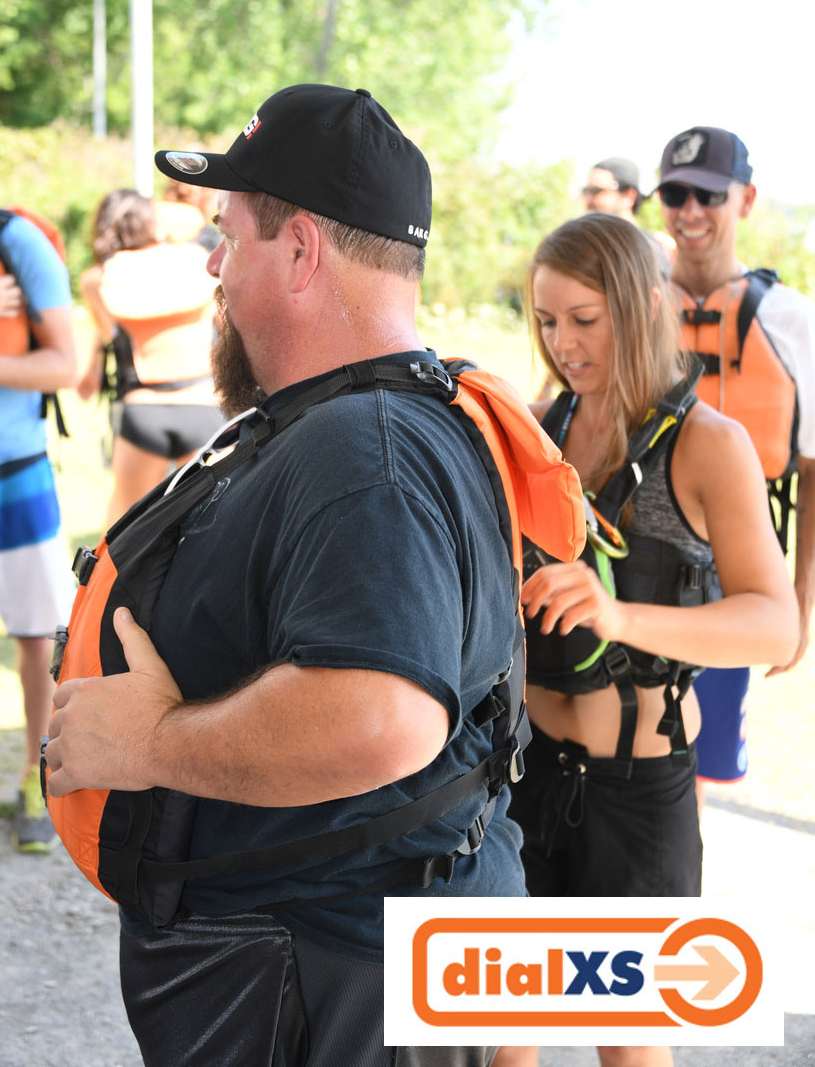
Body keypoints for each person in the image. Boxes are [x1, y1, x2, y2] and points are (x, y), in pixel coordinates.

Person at [44, 84, 555, 1067]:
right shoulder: (375, 418)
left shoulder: (366, 449)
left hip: (333, 986)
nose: (215, 271)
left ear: (302, 249)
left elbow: (381, 717)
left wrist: (150, 745)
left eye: (227, 239)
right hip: (335, 970)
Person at [494, 213, 797, 1067]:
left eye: (584, 321)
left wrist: (618, 614)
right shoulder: (541, 431)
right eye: (547, 322)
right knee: (500, 1036)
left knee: (627, 1042)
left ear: (635, 307)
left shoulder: (711, 445)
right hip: (527, 775)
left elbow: (776, 625)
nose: (564, 346)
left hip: (638, 789)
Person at [656, 126, 815, 794]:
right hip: (626, 567)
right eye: (676, 193)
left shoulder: (790, 320)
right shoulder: (632, 301)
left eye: (710, 195)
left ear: (745, 200)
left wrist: (802, 601)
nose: (692, 211)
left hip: (732, 583)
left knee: (695, 773)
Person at [0, 208, 76, 853]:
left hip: (13, 473)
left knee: (35, 639)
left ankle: (33, 778)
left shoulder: (16, 240)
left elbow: (63, 366)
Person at [78, 189, 223, 524]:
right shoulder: (194, 261)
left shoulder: (100, 279)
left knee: (128, 529)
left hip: (141, 410)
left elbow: (104, 346)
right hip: (205, 406)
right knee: (214, 523)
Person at [582, 156, 673, 278]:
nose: (588, 200)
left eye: (596, 191)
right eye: (586, 191)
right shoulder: (586, 248)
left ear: (629, 196)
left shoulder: (648, 251)